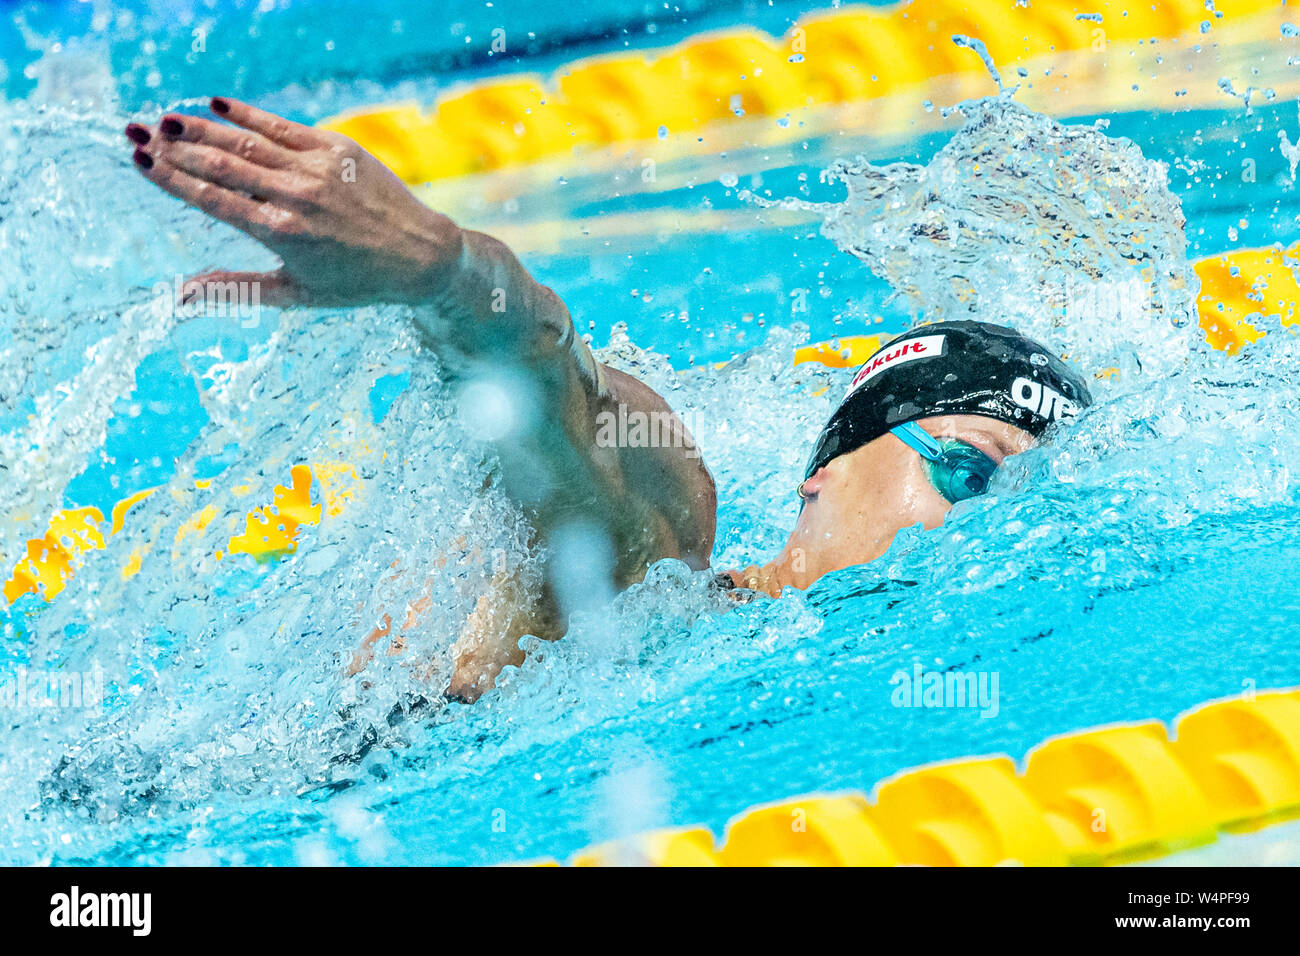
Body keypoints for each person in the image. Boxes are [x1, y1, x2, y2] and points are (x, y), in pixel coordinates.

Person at [124, 98, 1092, 700]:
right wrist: (448, 270)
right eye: (966, 466)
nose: (992, 528)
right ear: (826, 468)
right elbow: (553, 383)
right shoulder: (662, 562)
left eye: (1035, 506)